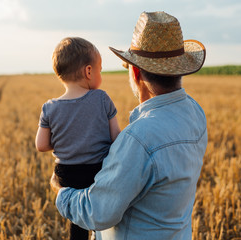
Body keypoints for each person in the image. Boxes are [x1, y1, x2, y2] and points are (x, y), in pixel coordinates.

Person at [51, 11, 208, 240]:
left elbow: (98, 212)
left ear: (135, 72)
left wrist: (62, 192)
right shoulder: (195, 113)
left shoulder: (139, 138)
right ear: (179, 70)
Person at [35, 37, 121, 240]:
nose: (100, 75)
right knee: (101, 214)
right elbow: (116, 138)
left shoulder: (49, 107)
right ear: (88, 71)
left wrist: (68, 141)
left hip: (67, 174)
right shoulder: (101, 98)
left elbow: (41, 145)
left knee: (78, 218)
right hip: (97, 170)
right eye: (100, 70)